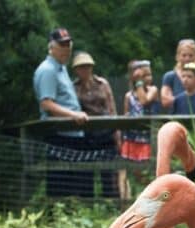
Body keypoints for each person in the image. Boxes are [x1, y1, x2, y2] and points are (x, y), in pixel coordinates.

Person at [32, 27, 90, 197]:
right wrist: (74, 115)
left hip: (72, 133)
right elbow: (46, 104)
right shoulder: (47, 70)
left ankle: (69, 213)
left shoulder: (61, 68)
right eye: (62, 45)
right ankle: (56, 216)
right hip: (59, 134)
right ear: (52, 46)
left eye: (68, 45)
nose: (67, 49)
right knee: (59, 181)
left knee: (72, 179)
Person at [71, 51, 119, 197]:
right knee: (85, 172)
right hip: (86, 134)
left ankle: (112, 203)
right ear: (76, 70)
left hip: (106, 132)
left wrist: (117, 133)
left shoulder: (102, 84)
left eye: (87, 66)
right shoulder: (73, 87)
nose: (84, 69)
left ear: (91, 67)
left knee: (109, 173)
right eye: (81, 67)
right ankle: (87, 203)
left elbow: (112, 108)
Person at [120, 60, 160, 196]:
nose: (148, 78)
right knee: (130, 172)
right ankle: (126, 202)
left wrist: (139, 83)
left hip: (147, 138)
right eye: (144, 76)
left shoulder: (153, 90)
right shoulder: (128, 96)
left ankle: (149, 198)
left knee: (145, 173)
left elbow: (144, 101)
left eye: (149, 75)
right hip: (131, 138)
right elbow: (125, 115)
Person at [160, 39, 195, 111]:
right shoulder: (169, 76)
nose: (187, 59)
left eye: (190, 55)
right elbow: (165, 101)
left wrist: (176, 99)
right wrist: (186, 98)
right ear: (177, 56)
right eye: (184, 55)